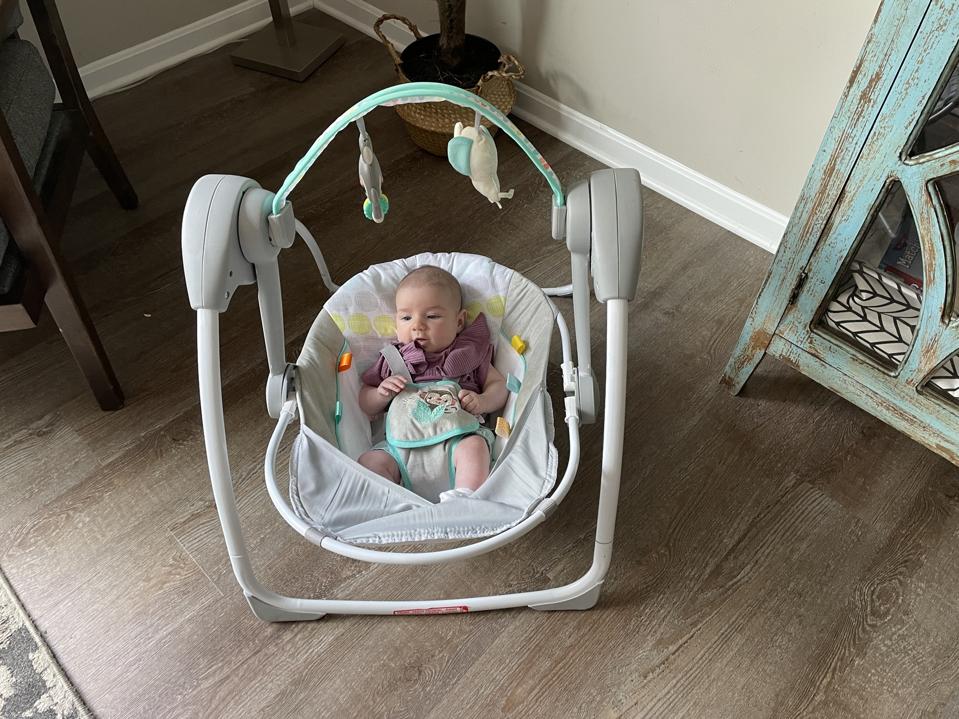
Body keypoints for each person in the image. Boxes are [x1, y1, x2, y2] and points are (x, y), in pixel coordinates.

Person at [358, 265, 508, 500]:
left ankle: (466, 499)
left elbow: (499, 386)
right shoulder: (393, 360)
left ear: (459, 322)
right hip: (401, 451)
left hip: (457, 440)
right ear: (396, 323)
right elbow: (365, 403)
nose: (417, 325)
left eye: (432, 316)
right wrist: (380, 394)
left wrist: (483, 400)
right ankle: (395, 503)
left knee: (475, 448)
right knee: (369, 462)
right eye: (406, 317)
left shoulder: (467, 355)